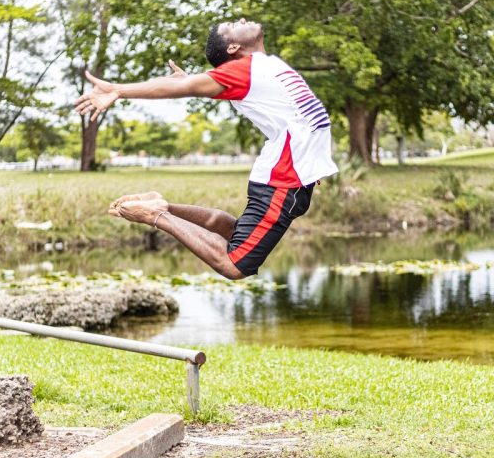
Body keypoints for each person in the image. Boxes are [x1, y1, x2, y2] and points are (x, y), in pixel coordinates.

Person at [74, 18, 338, 279]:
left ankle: (163, 206)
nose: (241, 19)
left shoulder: (263, 68)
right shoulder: (245, 69)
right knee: (234, 265)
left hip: (291, 175)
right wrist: (118, 90)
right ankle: (156, 216)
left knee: (232, 232)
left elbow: (298, 117)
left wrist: (314, 163)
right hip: (284, 179)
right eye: (232, 26)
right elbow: (185, 88)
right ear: (233, 48)